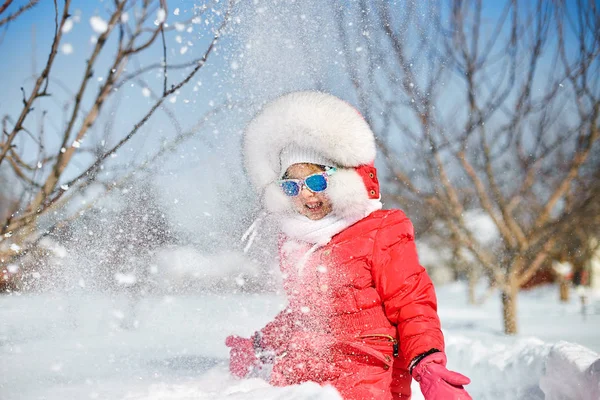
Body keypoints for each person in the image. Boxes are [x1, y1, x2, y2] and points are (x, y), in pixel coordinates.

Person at [226, 91, 472, 400]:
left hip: (363, 382)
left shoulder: (381, 230)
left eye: (316, 182)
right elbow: (307, 315)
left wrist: (427, 361)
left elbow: (411, 303)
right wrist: (259, 344)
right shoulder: (297, 243)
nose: (305, 195)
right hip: (298, 381)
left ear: (341, 178)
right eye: (292, 186)